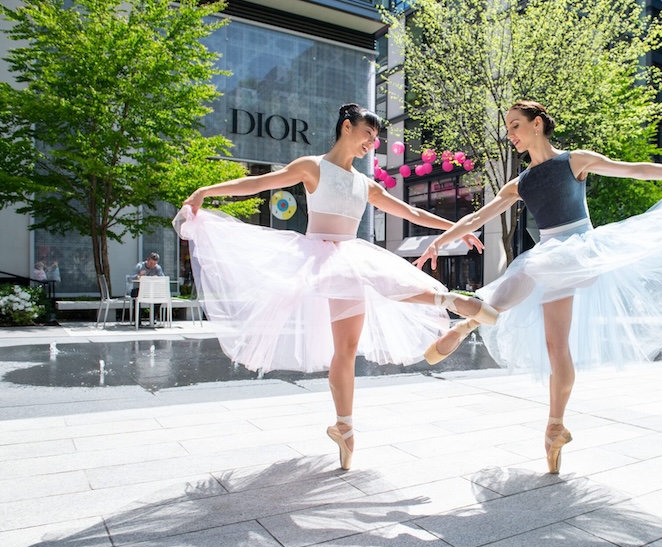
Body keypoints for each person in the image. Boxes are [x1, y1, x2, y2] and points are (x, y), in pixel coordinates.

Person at [415, 100, 662, 474]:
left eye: (515, 125)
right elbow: (478, 216)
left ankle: (469, 320)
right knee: (556, 346)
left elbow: (633, 170)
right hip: (552, 257)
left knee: (529, 272)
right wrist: (441, 240)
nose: (511, 135)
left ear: (537, 125)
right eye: (508, 128)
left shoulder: (573, 161)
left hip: (578, 250)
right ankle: (555, 426)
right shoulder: (519, 183)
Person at [176, 103, 496, 471]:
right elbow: (258, 183)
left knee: (345, 349)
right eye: (368, 135)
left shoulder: (355, 180)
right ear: (347, 127)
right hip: (332, 258)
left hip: (335, 258)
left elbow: (413, 213)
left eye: (375, 139)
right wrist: (207, 189)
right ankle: (447, 298)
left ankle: (345, 427)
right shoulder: (319, 169)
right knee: (368, 303)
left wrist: (456, 229)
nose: (371, 144)